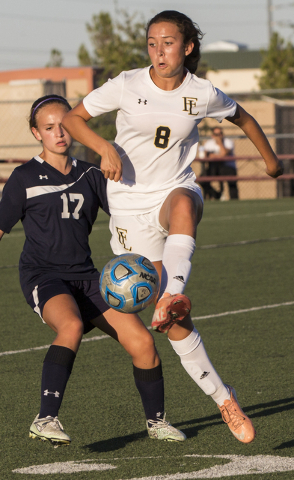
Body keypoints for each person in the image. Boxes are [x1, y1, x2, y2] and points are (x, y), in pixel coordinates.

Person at [62, 10, 283, 444]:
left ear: (187, 47)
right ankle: (223, 396)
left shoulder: (202, 93)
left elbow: (243, 118)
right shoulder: (127, 83)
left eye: (167, 43)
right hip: (128, 206)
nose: (158, 51)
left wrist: (271, 161)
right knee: (170, 323)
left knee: (184, 206)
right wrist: (103, 146)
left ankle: (175, 289)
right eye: (152, 43)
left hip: (174, 190)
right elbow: (73, 119)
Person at [0, 94, 186, 447]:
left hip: (88, 277)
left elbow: (126, 209)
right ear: (35, 133)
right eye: (48, 127)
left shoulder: (90, 173)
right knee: (70, 325)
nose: (59, 133)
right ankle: (46, 418)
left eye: (63, 125)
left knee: (143, 342)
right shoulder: (24, 177)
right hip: (44, 275)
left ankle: (157, 422)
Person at [202, 126, 238, 200]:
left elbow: (224, 154)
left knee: (232, 182)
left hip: (227, 167)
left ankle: (234, 200)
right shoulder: (209, 143)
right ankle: (216, 195)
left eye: (220, 133)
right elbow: (205, 156)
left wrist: (220, 143)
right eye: (216, 134)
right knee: (202, 179)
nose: (218, 136)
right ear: (213, 135)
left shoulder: (228, 142)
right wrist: (218, 155)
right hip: (213, 167)